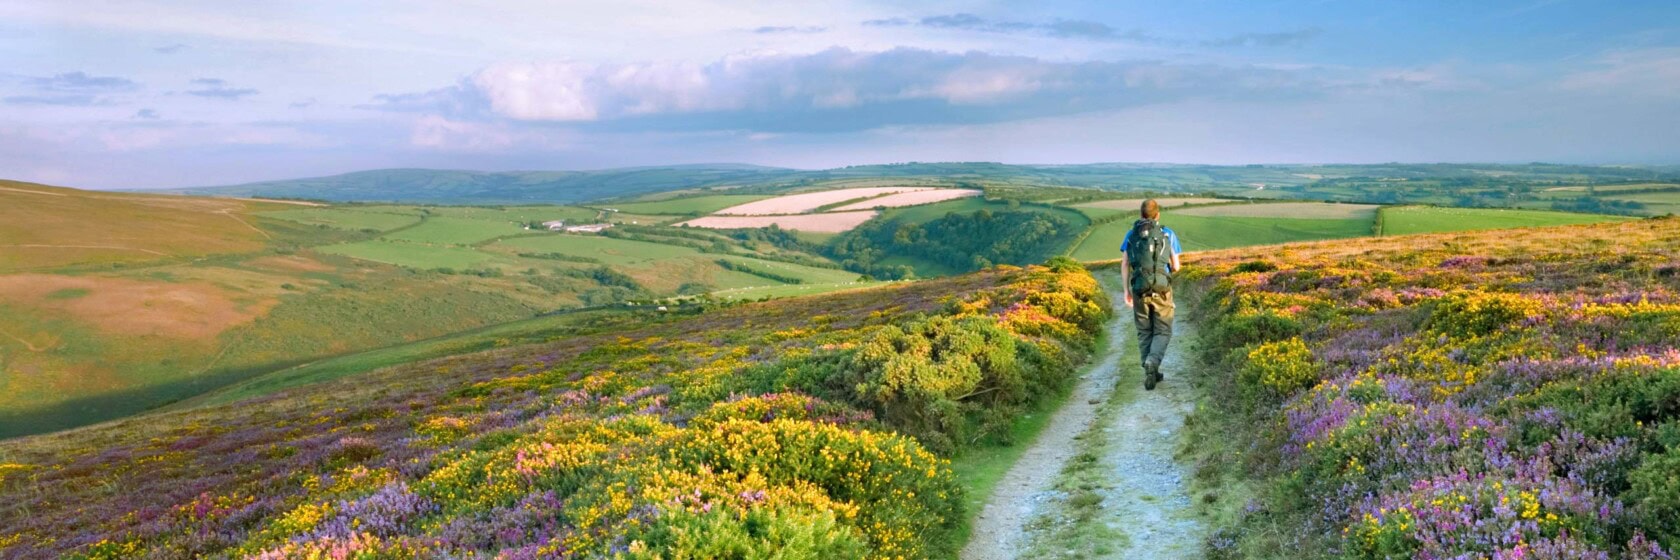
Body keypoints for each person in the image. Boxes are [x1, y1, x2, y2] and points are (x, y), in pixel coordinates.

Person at [1119, 199, 1182, 390]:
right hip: (1162, 290)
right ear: (1158, 215)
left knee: (1144, 330)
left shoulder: (1131, 234)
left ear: (1141, 215)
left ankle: (1150, 367)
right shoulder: (1167, 234)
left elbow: (1125, 264)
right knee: (1163, 330)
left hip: (1139, 289)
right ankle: (1152, 362)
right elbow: (1177, 266)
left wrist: (1126, 291)